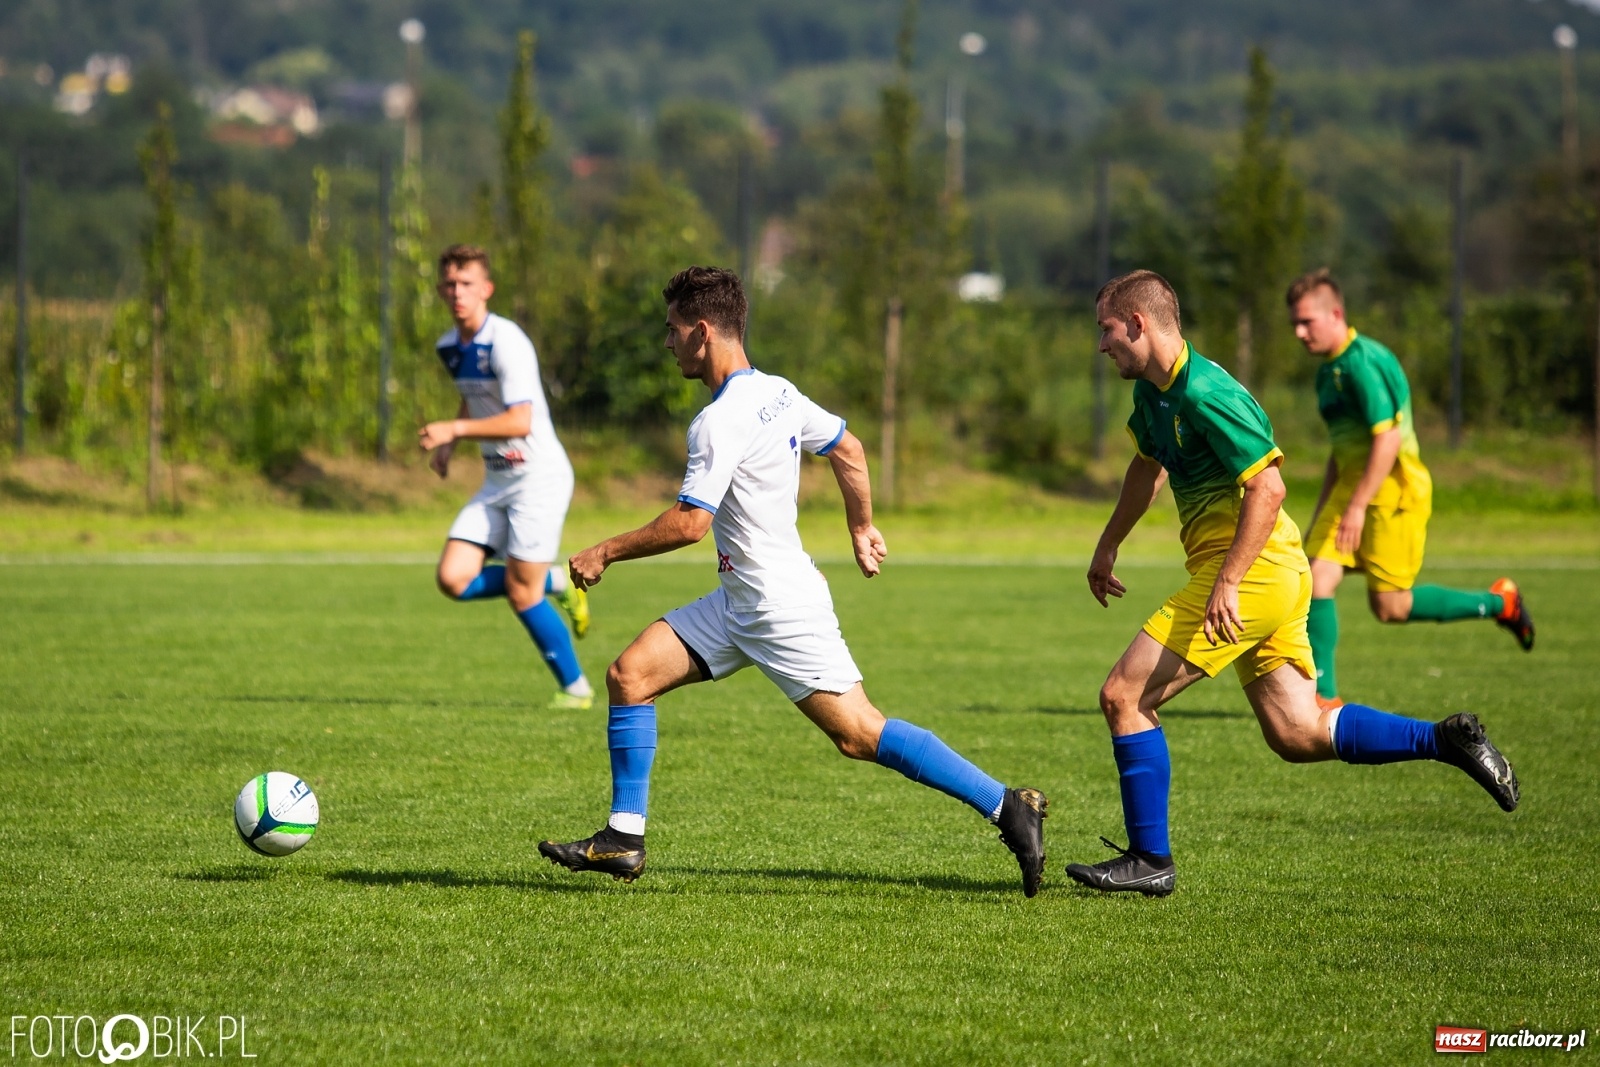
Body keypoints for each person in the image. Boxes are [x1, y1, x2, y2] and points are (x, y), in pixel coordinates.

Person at [537, 266, 1049, 895]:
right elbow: (850, 449)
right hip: (738, 601)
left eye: (672, 331)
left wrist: (606, 552)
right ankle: (623, 838)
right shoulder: (778, 392)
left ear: (702, 332)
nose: (666, 344)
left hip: (778, 608)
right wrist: (861, 526)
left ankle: (1007, 805)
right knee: (630, 675)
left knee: (860, 735)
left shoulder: (717, 421)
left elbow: (690, 524)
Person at [1065, 270, 1518, 898]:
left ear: (1139, 324)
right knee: (1298, 733)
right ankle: (1444, 740)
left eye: (1107, 330)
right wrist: (1108, 542)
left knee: (1123, 695)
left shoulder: (1206, 392)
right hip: (1267, 574)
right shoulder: (1154, 395)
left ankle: (1151, 857)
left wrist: (1229, 580)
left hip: (1253, 572)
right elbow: (1147, 470)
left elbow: (1268, 487)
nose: (1101, 344)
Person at [1287, 269, 1534, 712]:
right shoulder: (1327, 373)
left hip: (1393, 493)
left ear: (1336, 313)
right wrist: (1327, 507)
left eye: (1307, 322)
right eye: (1295, 325)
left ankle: (1501, 604)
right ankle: (1324, 696)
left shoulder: (1363, 362)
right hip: (1353, 488)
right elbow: (1341, 450)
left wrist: (1359, 506)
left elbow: (1389, 439)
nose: (1300, 333)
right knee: (1315, 579)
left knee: (1391, 608)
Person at [419, 244, 594, 710]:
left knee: (520, 592)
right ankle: (554, 582)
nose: (457, 293)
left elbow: (519, 420)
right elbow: (474, 396)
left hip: (538, 478)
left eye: (467, 284)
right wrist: (451, 446)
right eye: (450, 285)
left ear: (487, 289)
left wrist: (453, 429)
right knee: (453, 578)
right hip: (497, 480)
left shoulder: (507, 341)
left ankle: (575, 689)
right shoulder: (448, 347)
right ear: (440, 289)